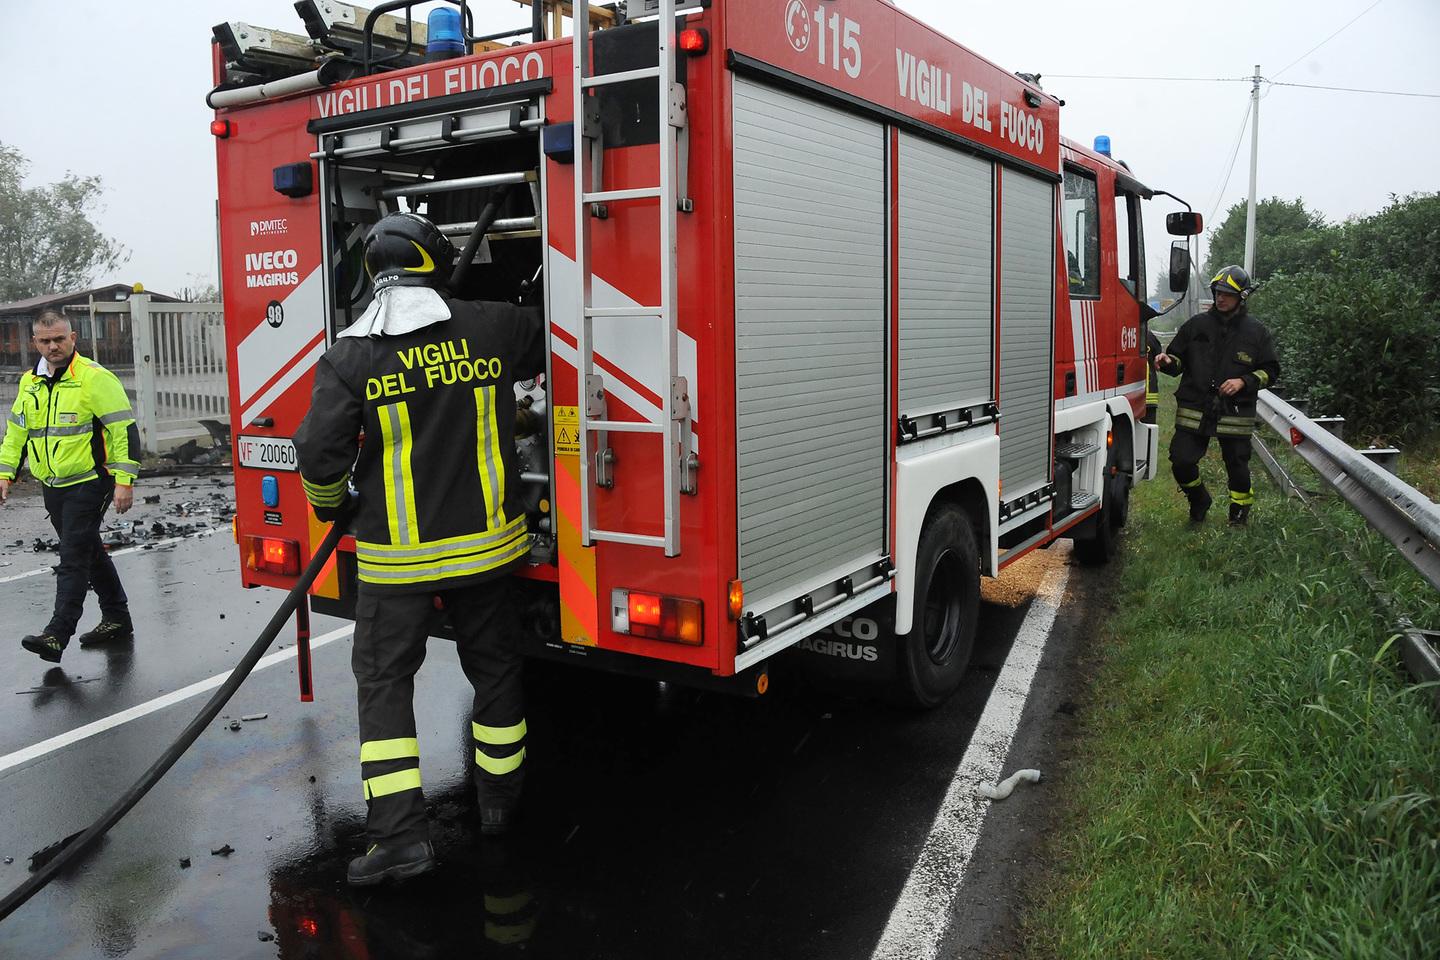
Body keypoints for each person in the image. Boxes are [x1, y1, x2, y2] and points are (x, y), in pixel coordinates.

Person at [294, 212, 544, 886]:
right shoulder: (492, 327)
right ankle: (499, 803)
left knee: (384, 690)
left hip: (395, 564)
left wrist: (332, 508)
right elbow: (552, 331)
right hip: (490, 552)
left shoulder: (349, 356)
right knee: (494, 673)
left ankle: (401, 838)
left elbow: (316, 455)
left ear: (375, 274)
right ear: (434, 262)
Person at [0, 308, 139, 661]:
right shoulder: (29, 382)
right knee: (87, 548)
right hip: (53, 482)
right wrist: (5, 473)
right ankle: (117, 617)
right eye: (45, 341)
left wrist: (125, 481)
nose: (53, 346)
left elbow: (123, 431)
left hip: (92, 480)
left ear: (73, 338)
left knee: (73, 554)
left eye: (59, 339)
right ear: (35, 342)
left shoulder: (95, 378)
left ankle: (57, 633)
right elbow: (16, 432)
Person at [1155, 265, 1280, 526]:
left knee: (1237, 465)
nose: (1220, 298)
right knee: (1181, 460)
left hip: (1235, 411)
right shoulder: (1195, 326)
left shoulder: (1256, 332)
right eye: (1218, 292)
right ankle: (1198, 498)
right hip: (1195, 407)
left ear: (1242, 297)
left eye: (1228, 294)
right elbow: (1177, 363)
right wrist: (1167, 361)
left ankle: (1238, 515)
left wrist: (1243, 381)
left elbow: (1271, 371)